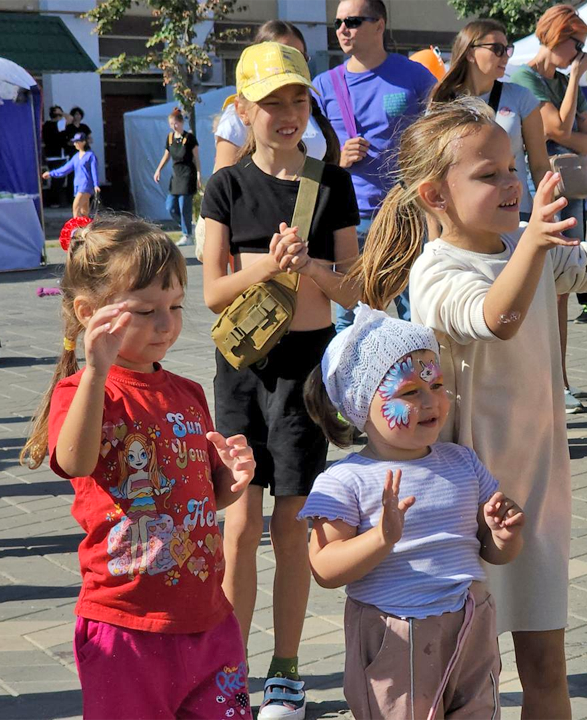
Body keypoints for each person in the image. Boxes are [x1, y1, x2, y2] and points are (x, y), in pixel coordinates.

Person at [351, 96, 587, 718]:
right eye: (488, 175)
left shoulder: (524, 241)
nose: (511, 182)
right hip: (463, 503)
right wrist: (534, 246)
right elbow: (497, 319)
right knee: (458, 674)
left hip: (538, 490)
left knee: (546, 666)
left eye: (511, 167)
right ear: (435, 195)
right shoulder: (438, 269)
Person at [19, 215, 256, 720]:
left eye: (174, 307)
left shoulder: (188, 393)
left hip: (209, 619)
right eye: (146, 311)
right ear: (89, 313)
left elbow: (200, 501)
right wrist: (95, 370)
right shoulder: (85, 393)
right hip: (127, 625)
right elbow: (73, 460)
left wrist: (230, 484)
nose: (166, 324)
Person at [201, 41, 361, 720]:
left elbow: (353, 285)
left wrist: (311, 269)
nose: (288, 113)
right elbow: (211, 292)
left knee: (292, 525)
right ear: (242, 111)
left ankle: (286, 669)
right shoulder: (225, 186)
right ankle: (230, 671)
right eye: (271, 103)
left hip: (305, 371)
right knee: (238, 527)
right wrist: (267, 267)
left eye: (298, 100)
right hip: (241, 373)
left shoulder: (332, 182)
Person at [299, 305, 525, 718]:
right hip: (396, 632)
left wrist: (504, 536)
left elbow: (491, 552)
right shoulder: (345, 479)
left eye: (436, 384)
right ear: (360, 405)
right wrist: (381, 537)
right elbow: (325, 569)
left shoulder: (462, 461)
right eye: (409, 392)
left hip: (469, 622)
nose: (432, 400)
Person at [313, 0, 437, 331]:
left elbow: (442, 132)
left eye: (352, 21)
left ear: (379, 25)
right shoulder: (324, 85)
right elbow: (304, 157)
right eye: (337, 23)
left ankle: (420, 381)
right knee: (351, 320)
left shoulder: (413, 76)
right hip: (348, 219)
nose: (342, 29)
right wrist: (338, 159)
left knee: (416, 314)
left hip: (404, 214)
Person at [510, 4, 587, 413]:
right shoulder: (525, 78)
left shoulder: (565, 81)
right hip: (538, 198)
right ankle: (544, 384)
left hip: (570, 193)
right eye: (575, 42)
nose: (579, 52)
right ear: (555, 36)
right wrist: (575, 83)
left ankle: (559, 381)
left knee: (562, 291)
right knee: (540, 294)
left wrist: (571, 86)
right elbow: (562, 130)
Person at [431, 19, 550, 222]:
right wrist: (434, 232)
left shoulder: (521, 97)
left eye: (507, 49)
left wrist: (547, 214)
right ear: (470, 52)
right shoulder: (443, 102)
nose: (504, 56)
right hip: (462, 217)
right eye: (497, 49)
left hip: (515, 210)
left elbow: (539, 165)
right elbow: (433, 173)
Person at [213, 21, 337, 173]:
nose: (290, 65)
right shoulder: (236, 118)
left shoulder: (308, 110)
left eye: (298, 57)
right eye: (280, 55)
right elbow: (224, 181)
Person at [154, 108, 201, 247]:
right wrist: (158, 170)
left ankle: (187, 235)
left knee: (183, 206)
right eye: (171, 124)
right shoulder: (170, 138)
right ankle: (187, 226)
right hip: (176, 176)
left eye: (175, 123)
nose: (174, 126)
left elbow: (196, 158)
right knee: (171, 207)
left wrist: (198, 175)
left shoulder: (190, 138)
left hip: (188, 175)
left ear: (181, 123)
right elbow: (166, 156)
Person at [42, 132, 100, 218]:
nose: (75, 144)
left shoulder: (90, 156)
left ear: (84, 142)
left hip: (86, 185)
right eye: (74, 142)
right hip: (77, 185)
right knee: (84, 212)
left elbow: (94, 171)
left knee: (75, 208)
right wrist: (51, 173)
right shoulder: (76, 156)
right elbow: (65, 169)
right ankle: (87, 228)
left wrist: (96, 185)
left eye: (77, 142)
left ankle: (76, 229)